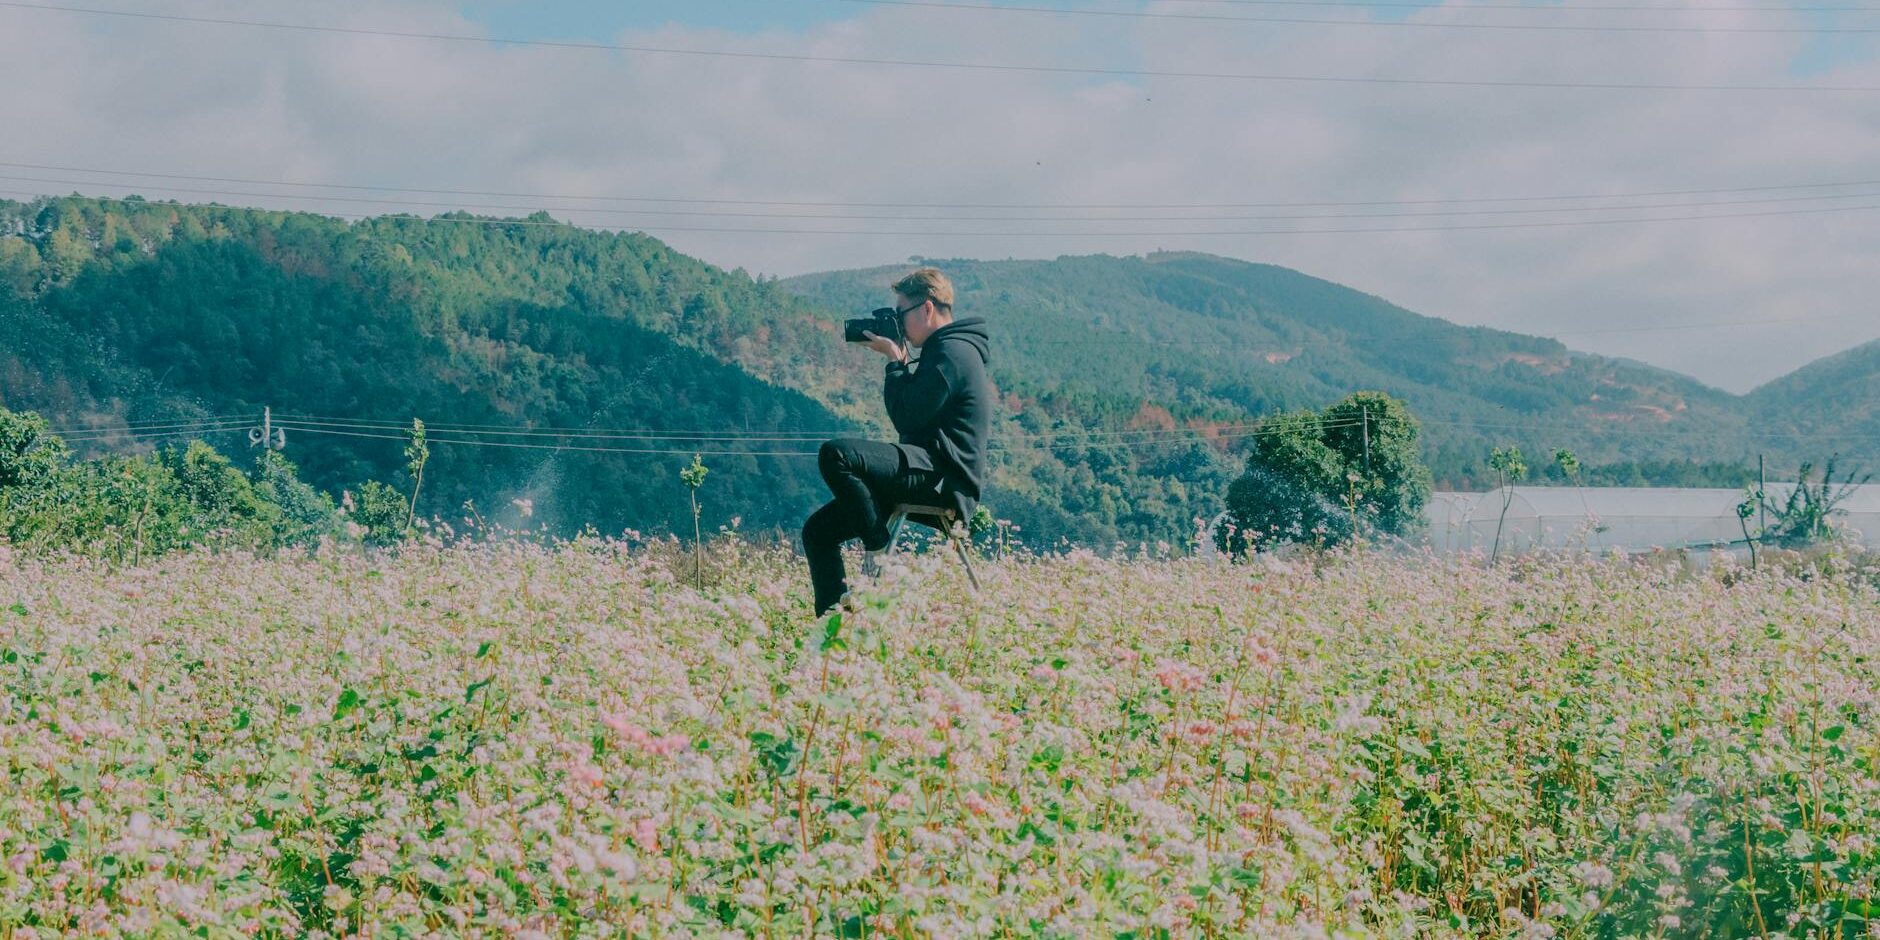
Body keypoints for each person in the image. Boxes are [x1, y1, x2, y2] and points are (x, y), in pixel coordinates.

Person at [802, 267, 991, 616]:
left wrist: (895, 363)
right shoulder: (948, 350)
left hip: (942, 478)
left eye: (900, 313)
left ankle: (879, 553)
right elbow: (915, 420)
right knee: (817, 532)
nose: (899, 324)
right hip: (926, 466)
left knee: (837, 454)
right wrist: (902, 364)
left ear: (927, 309)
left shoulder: (952, 352)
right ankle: (832, 630)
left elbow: (906, 418)